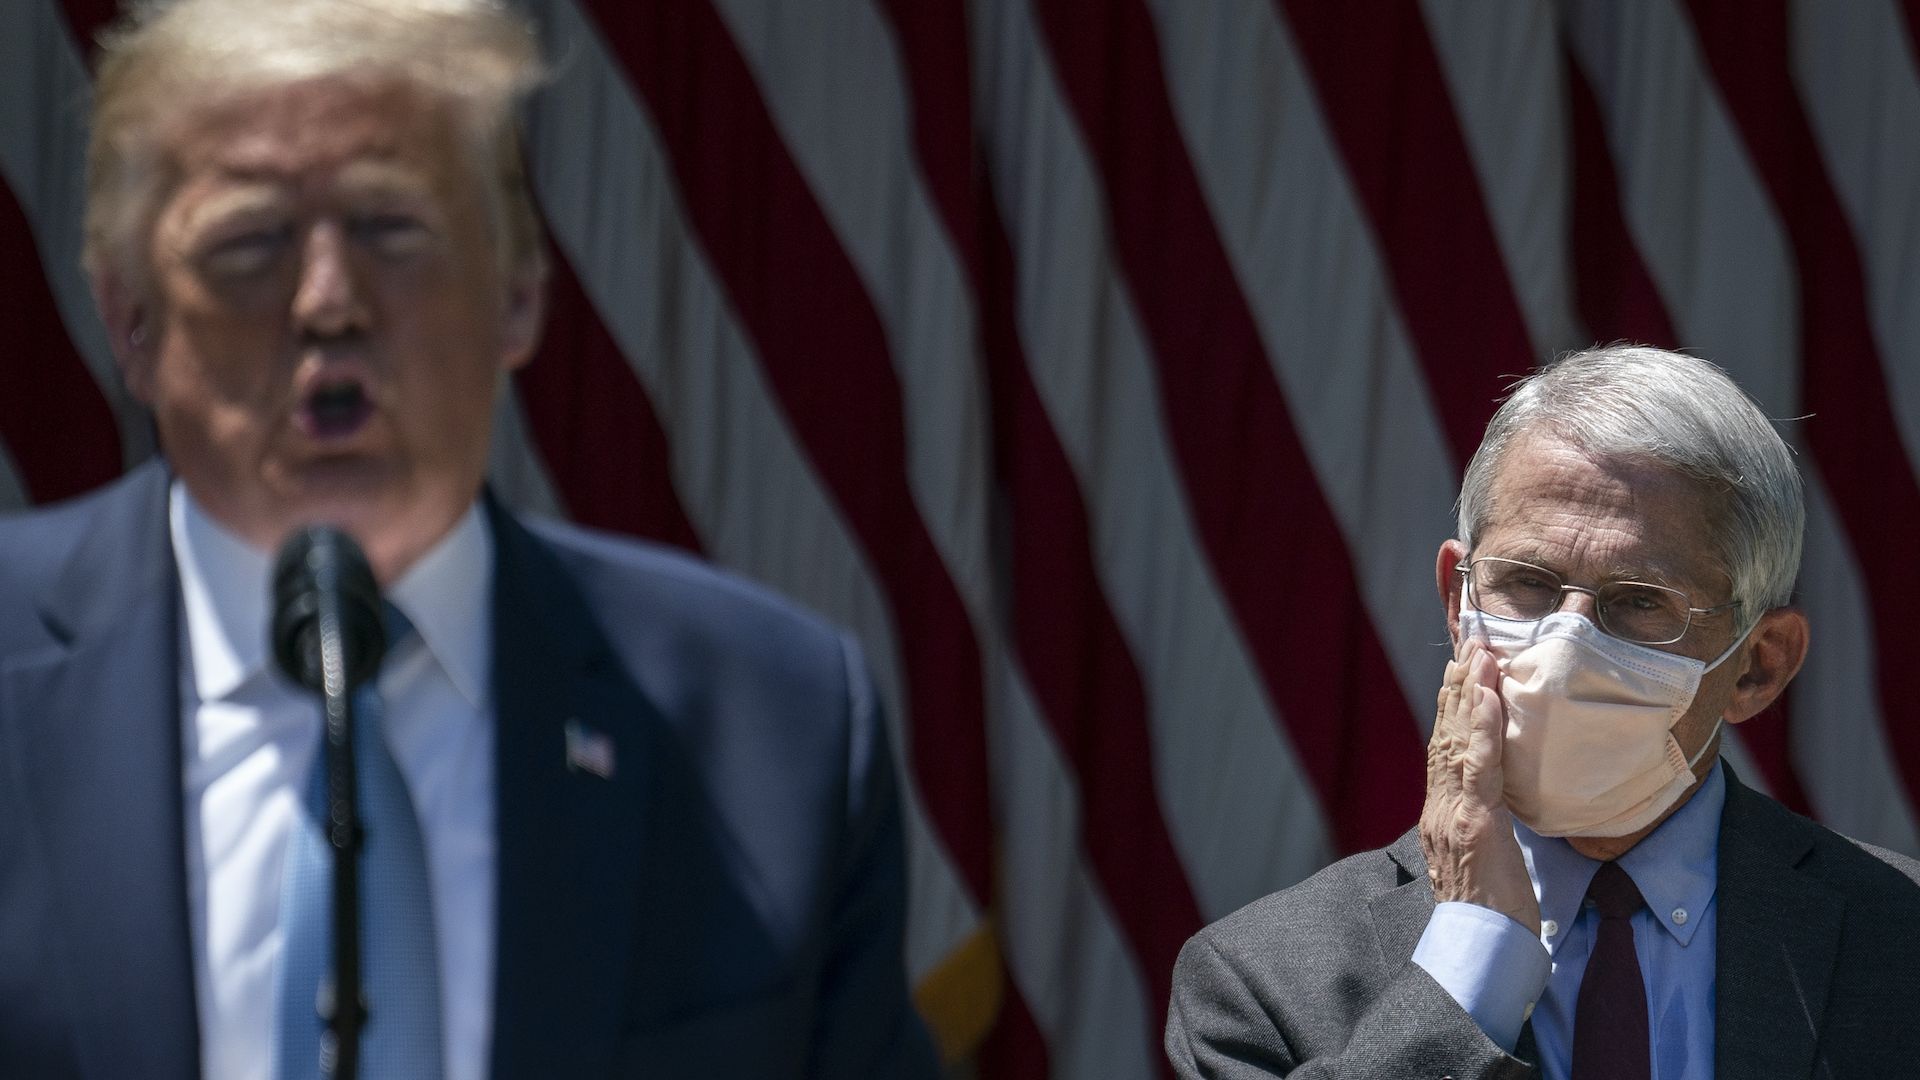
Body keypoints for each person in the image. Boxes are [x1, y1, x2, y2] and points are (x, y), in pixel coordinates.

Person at [0, 1, 940, 1077]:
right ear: (131, 321)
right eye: (250, 243)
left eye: (392, 229)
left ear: (521, 290)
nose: (327, 303)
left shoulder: (773, 730)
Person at [1165, 345, 1920, 1079]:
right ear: (1458, 601)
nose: (1567, 647)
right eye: (1526, 583)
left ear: (1759, 665)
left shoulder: (1899, 939)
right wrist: (1473, 956)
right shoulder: (1261, 981)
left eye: (1638, 603)